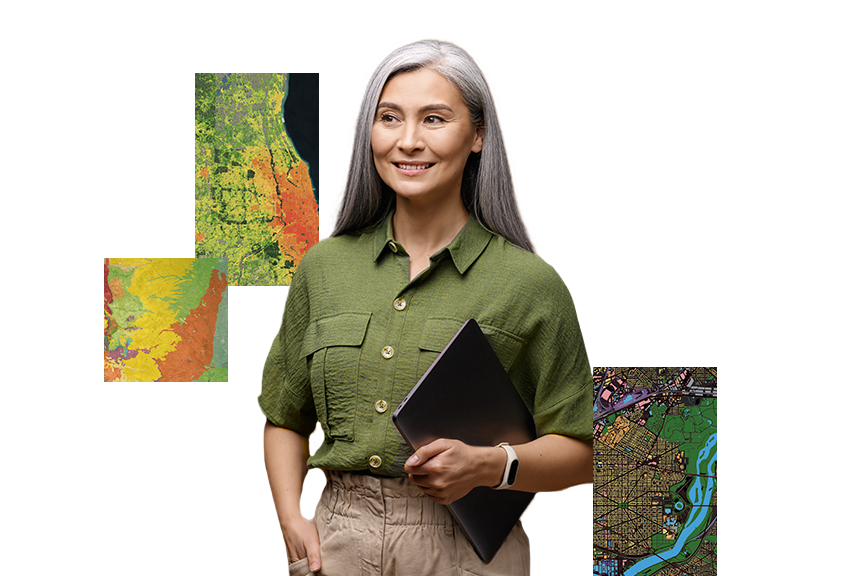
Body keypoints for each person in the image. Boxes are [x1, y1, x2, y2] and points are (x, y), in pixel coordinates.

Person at [258, 38, 592, 576]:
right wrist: (290, 520)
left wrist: (491, 465)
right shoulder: (322, 269)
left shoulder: (532, 284)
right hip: (339, 540)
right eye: (389, 118)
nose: (408, 141)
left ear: (478, 134)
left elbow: (583, 447)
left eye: (434, 119)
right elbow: (284, 416)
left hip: (465, 549)